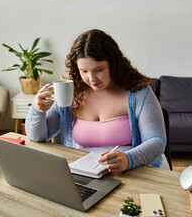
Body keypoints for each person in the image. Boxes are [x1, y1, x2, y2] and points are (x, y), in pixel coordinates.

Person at [25, 29, 169, 174]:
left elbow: (157, 141)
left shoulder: (139, 92)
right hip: (85, 174)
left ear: (114, 63)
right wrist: (37, 111)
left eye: (99, 69)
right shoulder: (71, 93)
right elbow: (38, 137)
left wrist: (128, 159)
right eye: (84, 71)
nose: (92, 79)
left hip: (134, 171)